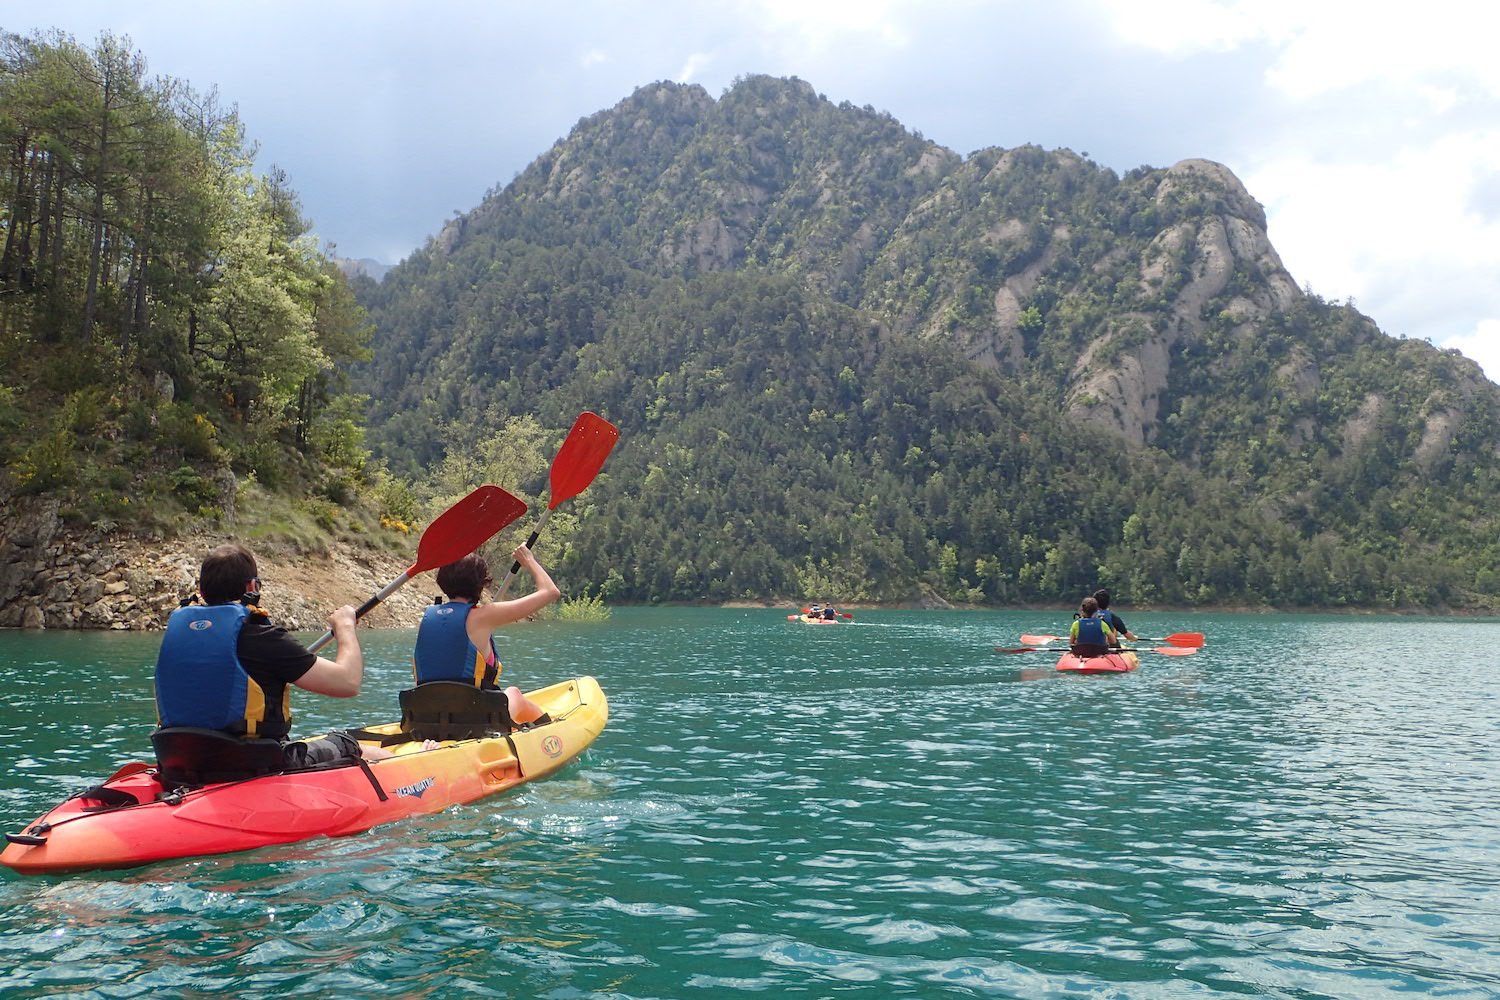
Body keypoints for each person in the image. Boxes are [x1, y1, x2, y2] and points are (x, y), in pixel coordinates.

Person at [154, 543, 402, 772]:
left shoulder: (177, 635)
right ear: (253, 586)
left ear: (201, 590)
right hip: (252, 764)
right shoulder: (262, 638)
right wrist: (345, 627)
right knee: (349, 744)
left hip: (182, 761)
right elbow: (348, 682)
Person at [412, 545, 558, 725]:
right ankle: (551, 728)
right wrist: (528, 560)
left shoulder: (429, 618)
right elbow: (551, 592)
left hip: (425, 720)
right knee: (513, 694)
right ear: (481, 584)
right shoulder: (484, 616)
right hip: (475, 722)